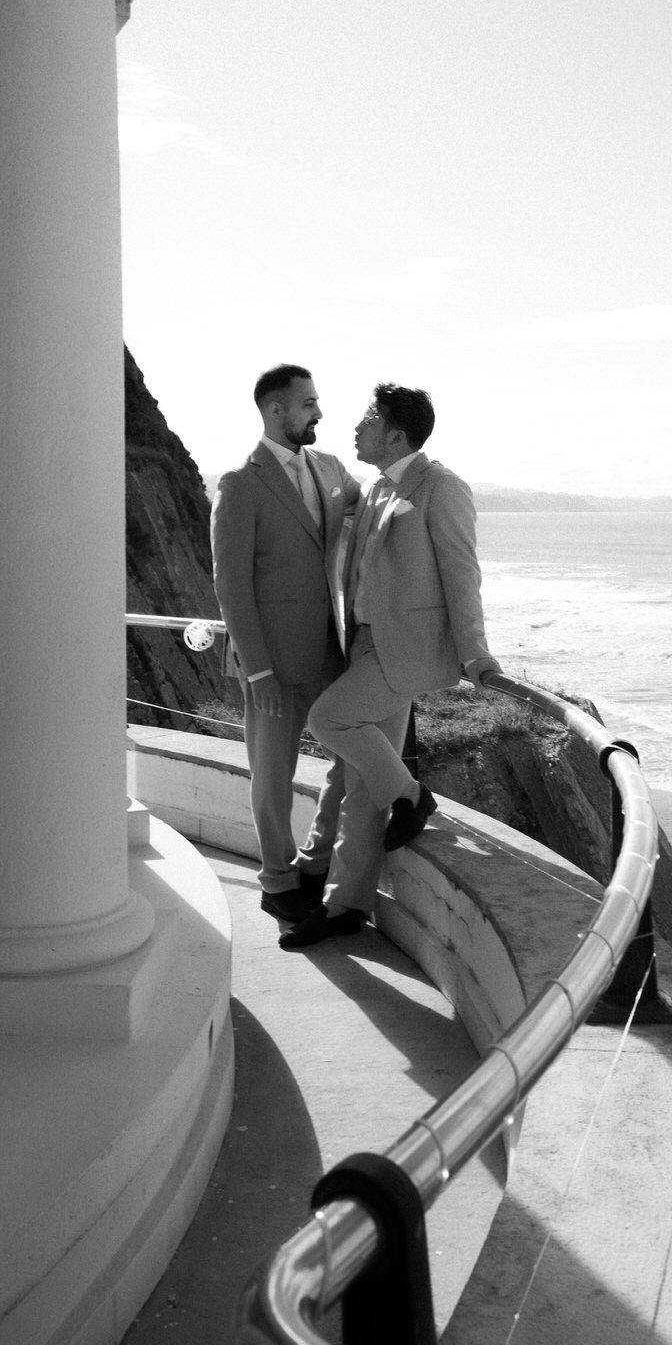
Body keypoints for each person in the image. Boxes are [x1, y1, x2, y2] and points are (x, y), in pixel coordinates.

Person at [280, 383, 501, 949]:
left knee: (329, 720)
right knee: (358, 781)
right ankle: (344, 905)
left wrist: (475, 652)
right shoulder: (378, 487)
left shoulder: (441, 487)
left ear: (396, 433)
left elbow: (462, 571)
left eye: (369, 418)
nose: (357, 427)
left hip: (405, 648)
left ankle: (411, 795)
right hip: (365, 643)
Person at [211, 364, 361, 923]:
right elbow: (231, 586)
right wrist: (258, 672)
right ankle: (277, 881)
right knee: (273, 775)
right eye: (309, 403)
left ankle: (315, 857)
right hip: (271, 662)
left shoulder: (331, 469)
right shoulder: (240, 483)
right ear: (276, 410)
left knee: (354, 755)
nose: (319, 411)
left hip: (331, 652)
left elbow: (367, 509)